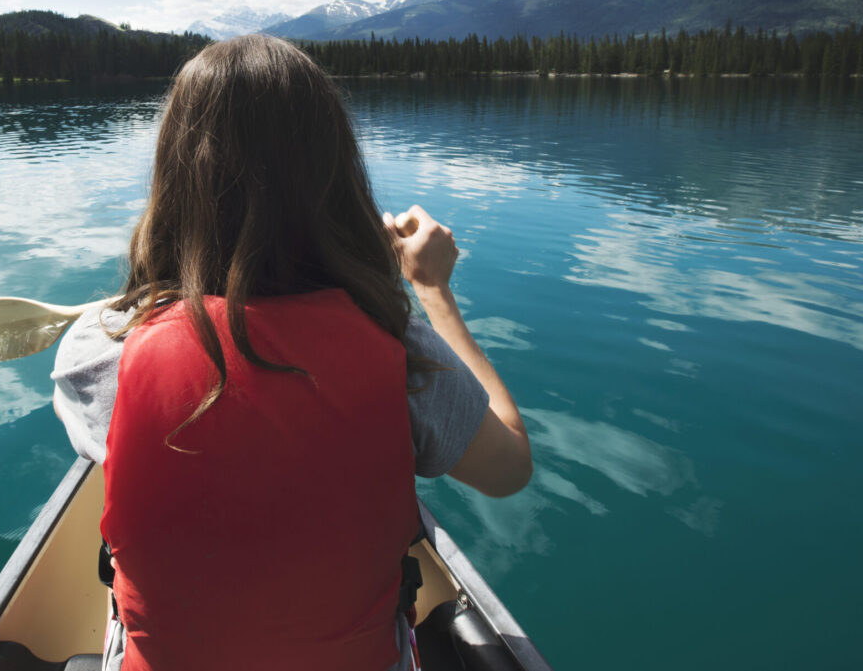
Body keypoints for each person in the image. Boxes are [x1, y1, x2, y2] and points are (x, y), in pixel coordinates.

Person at [52, 34, 531, 671]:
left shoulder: (95, 353)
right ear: (336, 177)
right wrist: (432, 291)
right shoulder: (398, 350)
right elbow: (510, 467)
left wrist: (149, 293)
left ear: (174, 179)